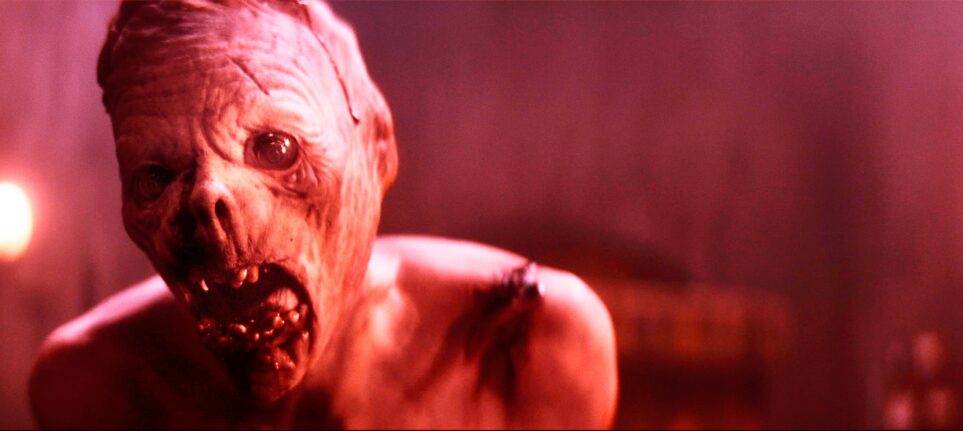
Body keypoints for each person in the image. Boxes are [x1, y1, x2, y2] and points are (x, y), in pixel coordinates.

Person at [28, 0, 618, 428]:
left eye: (274, 147)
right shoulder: (93, 386)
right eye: (153, 179)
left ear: (376, 147)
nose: (207, 196)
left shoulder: (526, 349)